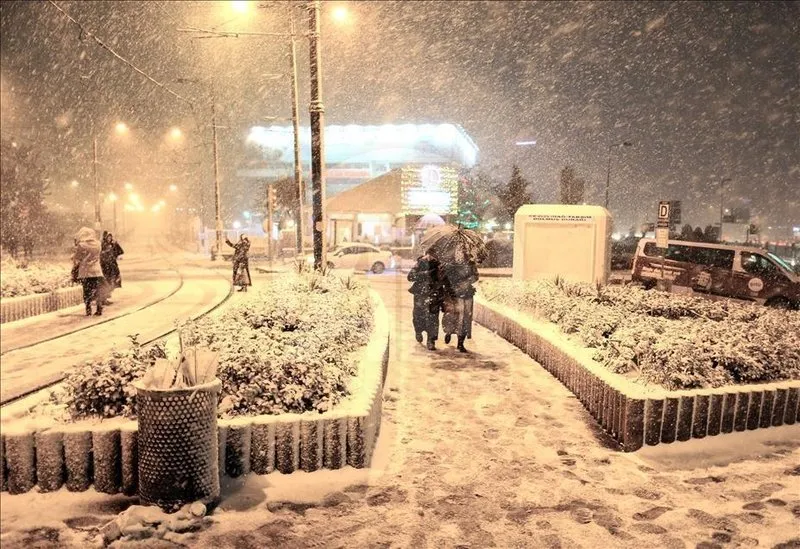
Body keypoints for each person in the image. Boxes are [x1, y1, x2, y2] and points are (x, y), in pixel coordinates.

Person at [441, 246, 479, 352]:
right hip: (453, 294)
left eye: (463, 250)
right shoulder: (449, 262)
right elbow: (445, 278)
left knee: (465, 317)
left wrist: (467, 281)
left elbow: (476, 275)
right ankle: (448, 332)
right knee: (453, 315)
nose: (461, 252)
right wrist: (454, 284)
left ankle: (460, 342)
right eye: (459, 250)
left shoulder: (471, 263)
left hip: (467, 293)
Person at [408, 248, 443, 350]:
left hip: (434, 294)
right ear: (427, 254)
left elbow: (444, 280)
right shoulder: (420, 263)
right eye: (431, 254)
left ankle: (431, 340)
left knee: (433, 317)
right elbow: (410, 276)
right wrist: (426, 274)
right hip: (420, 294)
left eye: (435, 254)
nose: (432, 257)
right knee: (418, 315)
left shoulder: (440, 264)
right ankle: (418, 331)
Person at [72, 227, 105, 316]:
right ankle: (99, 308)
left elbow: (77, 257)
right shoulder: (98, 244)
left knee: (87, 291)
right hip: (97, 271)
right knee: (98, 290)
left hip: (86, 271)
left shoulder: (81, 245)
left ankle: (88, 309)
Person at [100, 232, 124, 304]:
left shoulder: (113, 244)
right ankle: (103, 298)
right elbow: (100, 254)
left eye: (110, 237)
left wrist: (115, 245)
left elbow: (121, 251)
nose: (109, 239)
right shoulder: (102, 245)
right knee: (106, 282)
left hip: (112, 266)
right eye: (108, 237)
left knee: (112, 281)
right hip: (105, 267)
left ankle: (105, 297)